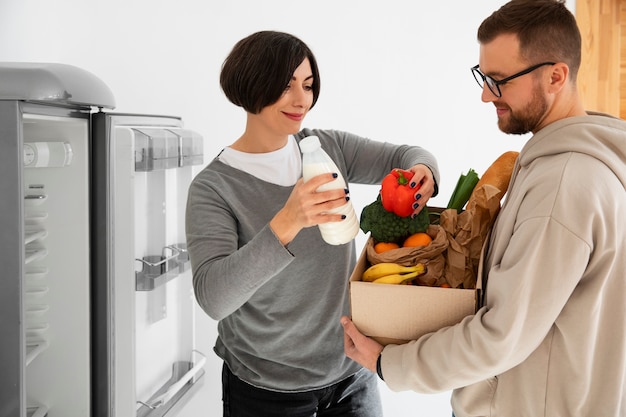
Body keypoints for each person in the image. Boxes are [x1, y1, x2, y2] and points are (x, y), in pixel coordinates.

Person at [341, 0, 626, 416]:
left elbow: (500, 336)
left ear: (556, 76)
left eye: (499, 80)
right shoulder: (578, 164)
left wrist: (390, 363)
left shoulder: (562, 185)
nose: (484, 94)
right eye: (483, 76)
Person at [185, 30, 440, 417]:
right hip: (266, 387)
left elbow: (409, 154)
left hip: (353, 370)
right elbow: (213, 298)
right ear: (251, 85)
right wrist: (288, 220)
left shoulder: (329, 148)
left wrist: (424, 171)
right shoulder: (214, 187)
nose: (302, 99)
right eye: (286, 86)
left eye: (308, 85)